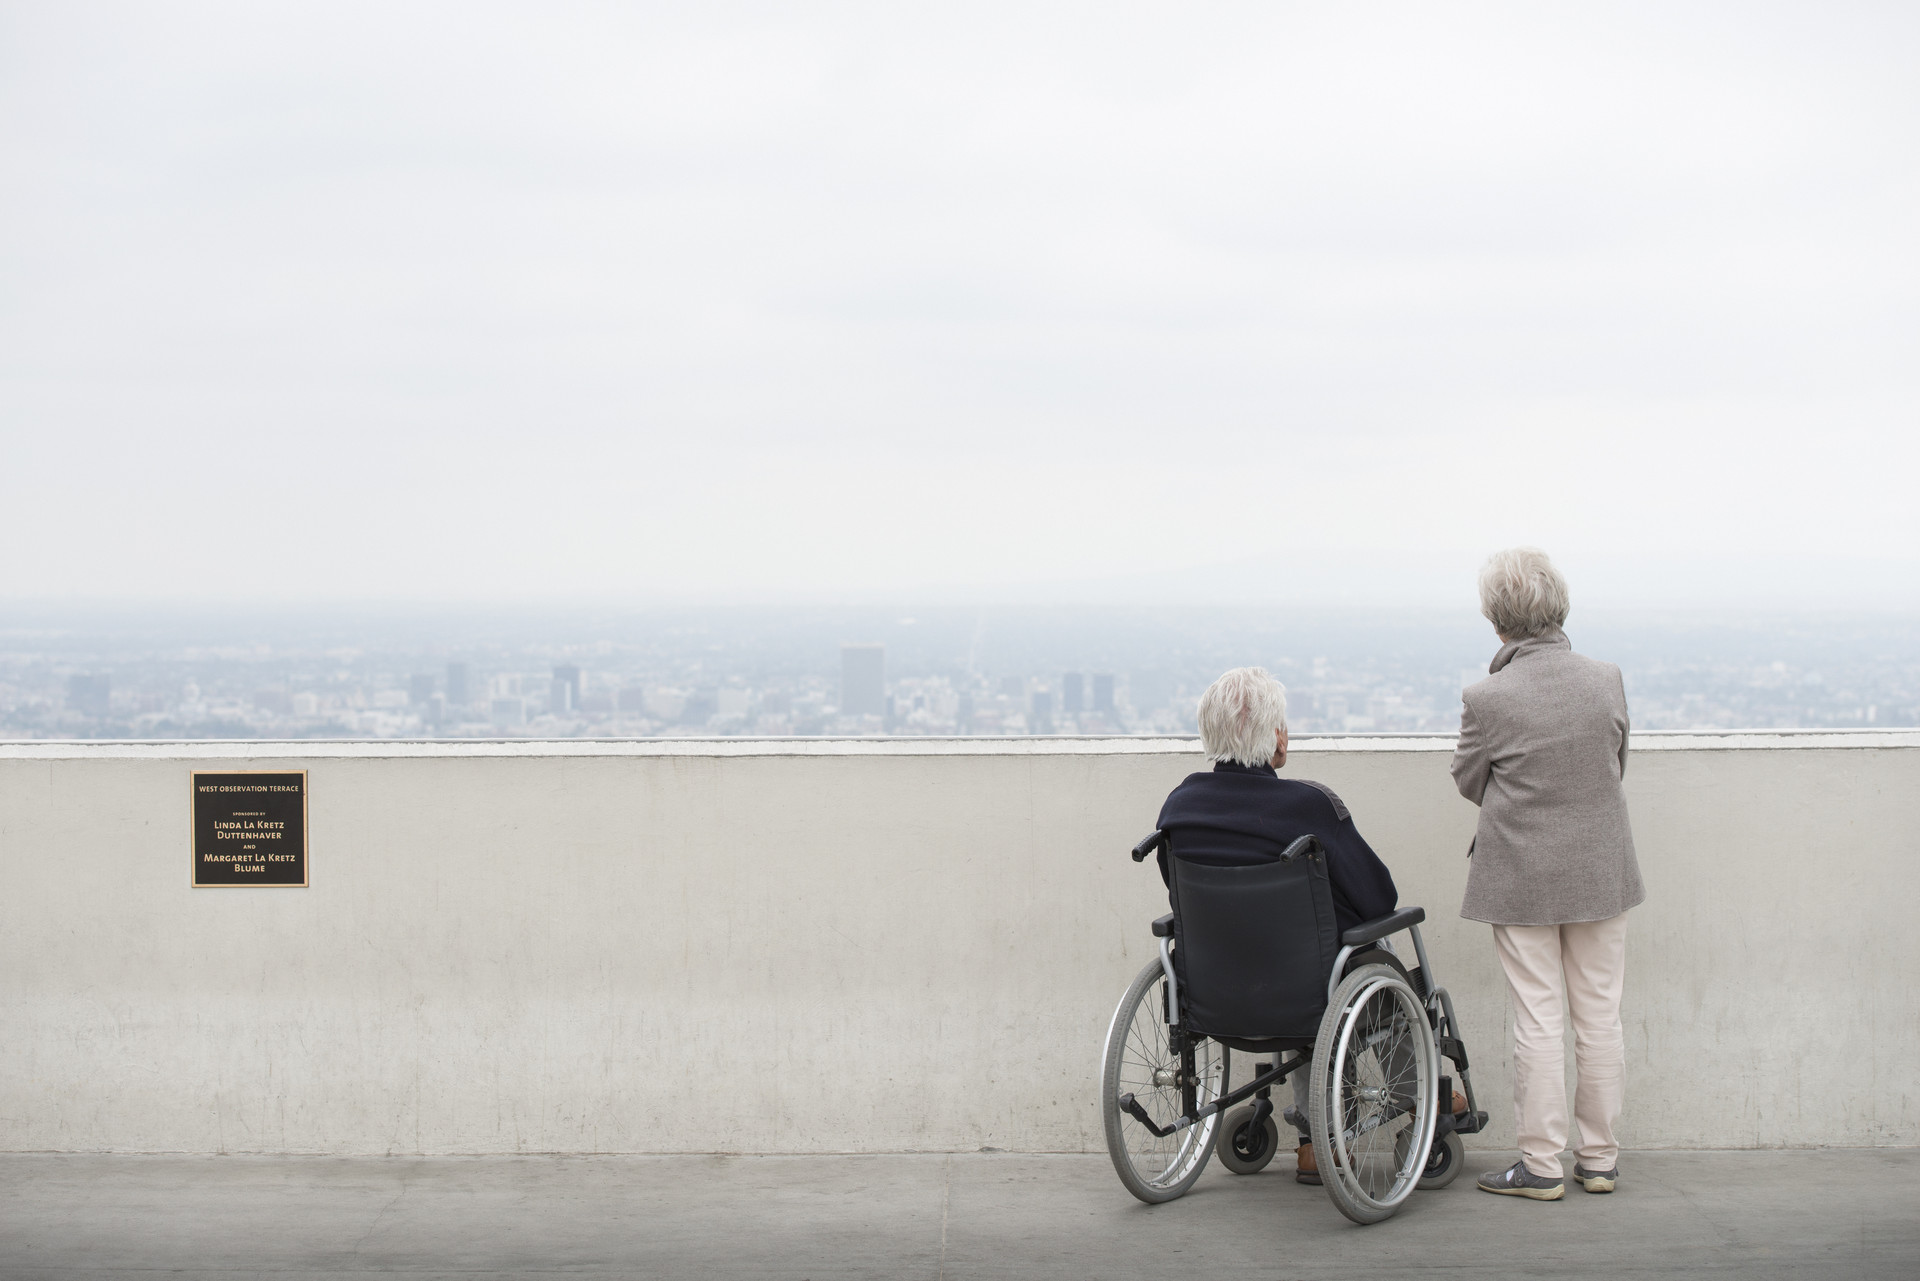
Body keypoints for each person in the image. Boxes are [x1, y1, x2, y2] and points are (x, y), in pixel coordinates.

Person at [1156, 666, 1398, 1186]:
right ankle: (1417, 1100)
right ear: (1275, 737)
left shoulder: (1179, 808)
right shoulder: (1309, 806)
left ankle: (1314, 1139)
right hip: (1305, 989)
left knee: (1301, 959)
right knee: (1363, 958)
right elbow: (1379, 898)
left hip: (1214, 992)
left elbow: (1181, 899)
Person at [1452, 548, 1645, 1201]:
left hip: (1520, 874)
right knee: (1600, 1016)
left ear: (1496, 620)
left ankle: (1539, 1165)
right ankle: (1599, 1159)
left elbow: (1469, 780)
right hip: (1600, 869)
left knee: (1537, 1018)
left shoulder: (1486, 697)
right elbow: (1615, 763)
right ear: (1560, 607)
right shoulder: (1606, 679)